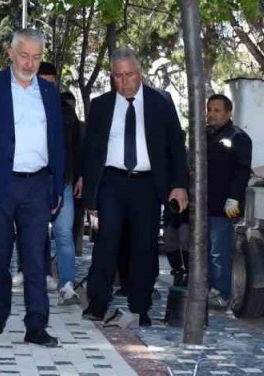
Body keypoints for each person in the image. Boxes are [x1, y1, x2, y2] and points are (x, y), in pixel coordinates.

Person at [0, 28, 65, 347]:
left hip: (37, 185)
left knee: (35, 257)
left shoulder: (49, 93)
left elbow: (57, 143)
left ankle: (36, 324)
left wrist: (57, 187)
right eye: (24, 55)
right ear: (10, 53)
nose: (29, 62)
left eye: (36, 57)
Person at [80, 48, 189, 325]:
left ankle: (140, 307)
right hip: (112, 182)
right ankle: (97, 302)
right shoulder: (101, 105)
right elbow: (91, 148)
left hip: (148, 184)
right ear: (111, 76)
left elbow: (176, 147)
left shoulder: (161, 102)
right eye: (118, 76)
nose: (124, 81)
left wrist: (179, 185)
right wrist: (86, 182)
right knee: (107, 242)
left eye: (129, 74)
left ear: (140, 73)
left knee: (144, 245)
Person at [38, 62, 83, 294]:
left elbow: (77, 146)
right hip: (35, 181)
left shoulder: (66, 111)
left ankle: (67, 282)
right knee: (35, 232)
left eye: (52, 84)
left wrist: (80, 176)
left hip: (64, 180)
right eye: (44, 83)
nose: (48, 88)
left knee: (63, 233)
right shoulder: (28, 108)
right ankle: (40, 275)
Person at [205, 93, 252, 309]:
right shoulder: (205, 136)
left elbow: (242, 171)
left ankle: (221, 294)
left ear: (228, 113)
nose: (211, 114)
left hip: (224, 207)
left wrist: (233, 198)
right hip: (204, 204)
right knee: (203, 251)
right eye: (210, 109)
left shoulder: (238, 137)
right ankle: (207, 289)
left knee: (219, 252)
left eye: (217, 110)